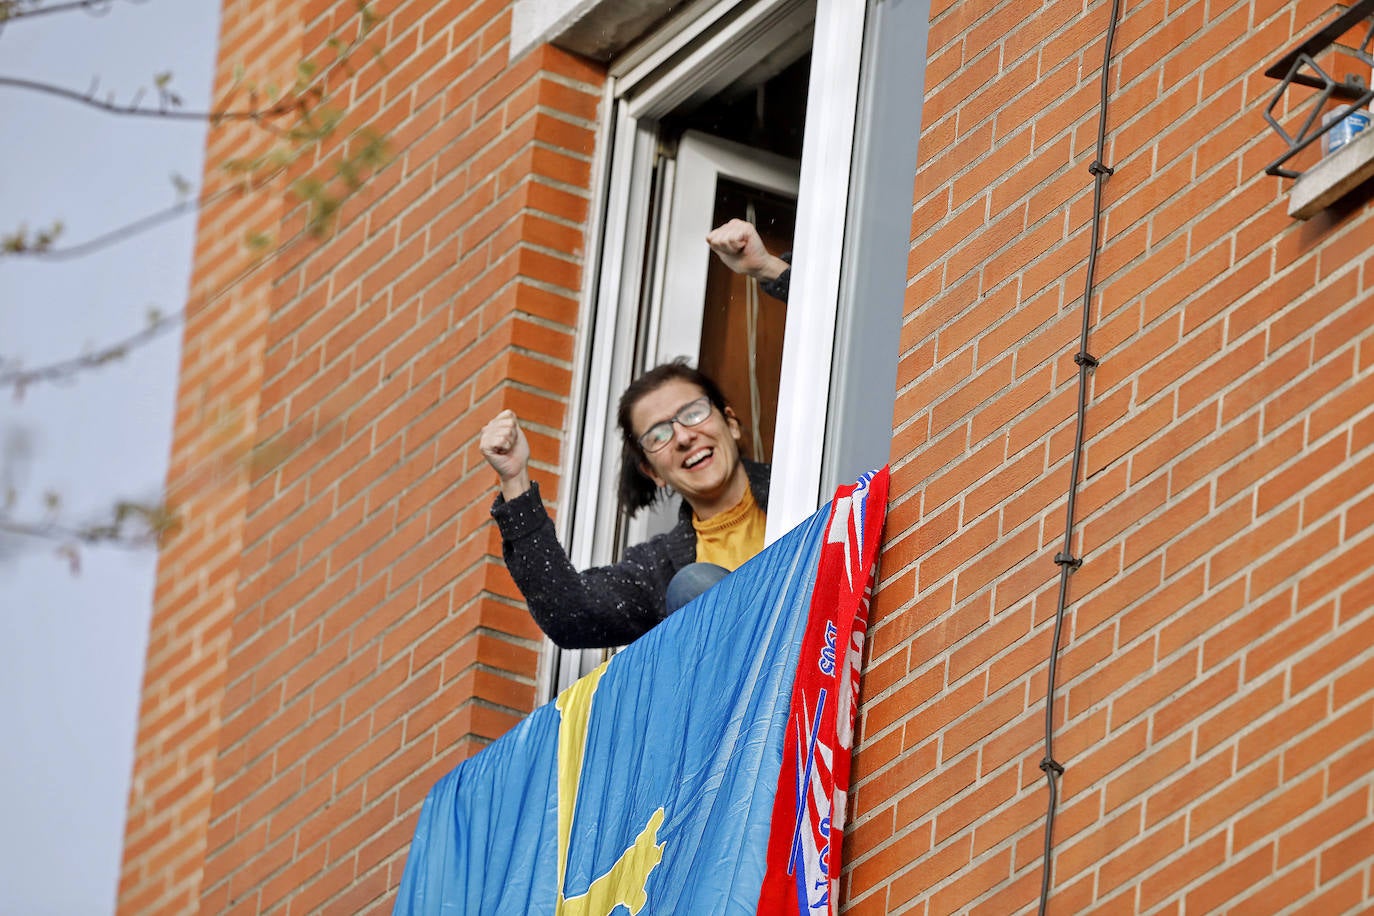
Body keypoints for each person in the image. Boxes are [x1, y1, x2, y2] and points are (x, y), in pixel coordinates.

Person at [480, 221, 790, 650]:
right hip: (756, 699)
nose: (683, 437)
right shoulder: (660, 569)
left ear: (731, 423)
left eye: (694, 414)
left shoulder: (801, 486)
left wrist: (767, 269)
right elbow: (571, 613)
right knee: (694, 586)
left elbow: (850, 343)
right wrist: (514, 481)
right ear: (653, 472)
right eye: (659, 434)